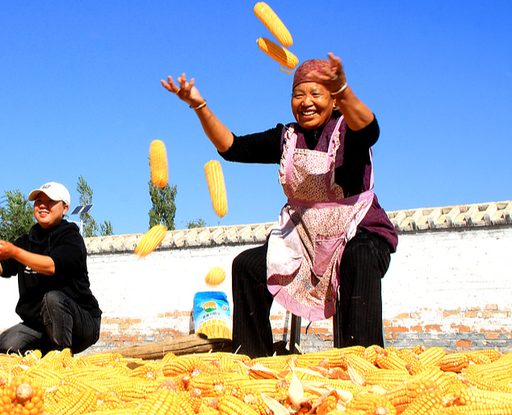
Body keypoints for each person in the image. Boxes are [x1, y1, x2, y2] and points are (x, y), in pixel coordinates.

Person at [162, 54, 398, 358]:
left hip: (357, 232)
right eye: (298, 94)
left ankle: (363, 359)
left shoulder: (348, 129)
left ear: (334, 100)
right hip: (304, 239)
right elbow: (232, 147)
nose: (306, 102)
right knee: (247, 266)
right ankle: (252, 359)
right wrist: (199, 105)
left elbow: (370, 130)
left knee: (359, 257)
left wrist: (343, 90)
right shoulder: (287, 138)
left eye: (316, 93)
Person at [0, 181, 102, 355]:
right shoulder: (27, 241)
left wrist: (15, 252)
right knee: (2, 346)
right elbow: (1, 267)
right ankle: (44, 356)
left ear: (65, 209)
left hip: (81, 323)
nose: (42, 205)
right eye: (38, 201)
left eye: (50, 201)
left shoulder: (71, 239)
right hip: (40, 326)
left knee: (53, 299)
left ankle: (62, 359)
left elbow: (51, 266)